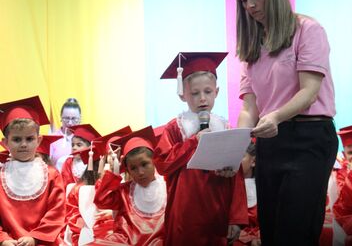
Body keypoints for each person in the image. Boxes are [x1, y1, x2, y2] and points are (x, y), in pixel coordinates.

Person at [235, 0, 338, 245]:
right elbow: (249, 108)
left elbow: (309, 92)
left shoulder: (308, 29)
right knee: (271, 229)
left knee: (295, 231)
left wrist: (276, 117)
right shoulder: (251, 45)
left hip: (310, 139)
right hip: (270, 142)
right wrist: (238, 144)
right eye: (243, 0)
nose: (250, 5)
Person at [156, 52, 248, 246]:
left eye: (207, 91)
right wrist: (193, 142)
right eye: (194, 93)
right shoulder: (176, 128)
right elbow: (162, 164)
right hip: (185, 212)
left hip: (218, 208)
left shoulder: (225, 128)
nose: (202, 98)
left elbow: (237, 176)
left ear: (217, 92)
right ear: (183, 95)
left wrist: (236, 217)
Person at [0, 96, 66, 245]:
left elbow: (57, 212)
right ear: (5, 143)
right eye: (17, 139)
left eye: (29, 139)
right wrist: (3, 239)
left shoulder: (51, 175)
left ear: (39, 140)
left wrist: (35, 237)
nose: (23, 144)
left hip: (43, 241)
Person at [94, 126, 166, 245]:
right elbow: (102, 201)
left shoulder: (167, 186)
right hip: (125, 241)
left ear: (154, 161)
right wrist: (113, 173)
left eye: (144, 164)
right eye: (133, 168)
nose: (140, 172)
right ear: (127, 170)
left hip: (157, 241)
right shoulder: (125, 190)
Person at [234, 140, 261, 246]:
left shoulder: (264, 187)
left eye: (241, 156)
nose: (236, 161)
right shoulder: (225, 189)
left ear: (253, 161)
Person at [60, 124, 101, 189]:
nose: (74, 148)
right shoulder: (69, 162)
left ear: (90, 147)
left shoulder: (95, 163)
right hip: (71, 196)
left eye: (79, 145)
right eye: (73, 145)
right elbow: (64, 183)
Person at [50, 98, 82, 169]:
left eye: (74, 119)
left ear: (80, 119)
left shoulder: (85, 139)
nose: (70, 123)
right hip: (57, 178)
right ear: (61, 117)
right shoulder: (52, 138)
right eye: (66, 118)